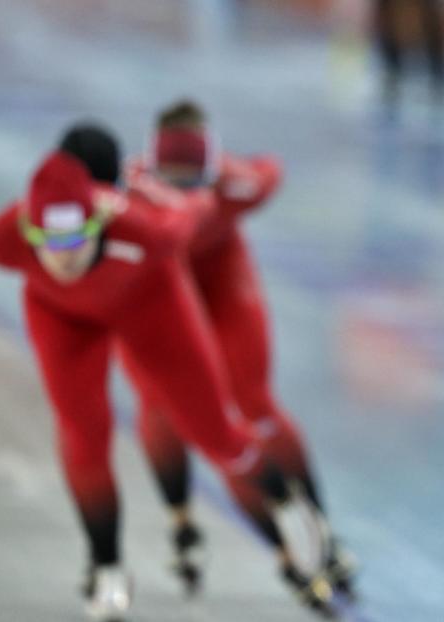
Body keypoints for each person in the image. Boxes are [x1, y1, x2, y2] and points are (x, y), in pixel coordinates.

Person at [0, 128, 333, 620]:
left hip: (149, 304)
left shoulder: (151, 226)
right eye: (46, 239)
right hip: (62, 318)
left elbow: (201, 206)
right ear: (28, 227)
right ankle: (106, 566)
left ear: (102, 215)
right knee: (82, 434)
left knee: (217, 435)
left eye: (76, 237)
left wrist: (219, 180)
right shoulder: (1, 238)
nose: (61, 255)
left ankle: (287, 501)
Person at [123, 100, 355, 596]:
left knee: (251, 402)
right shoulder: (131, 190)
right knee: (163, 407)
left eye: (195, 183)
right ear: (153, 168)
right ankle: (183, 522)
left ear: (214, 171)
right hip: (161, 290)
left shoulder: (240, 183)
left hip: (225, 285)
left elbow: (273, 167)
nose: (185, 193)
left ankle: (318, 529)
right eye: (174, 181)